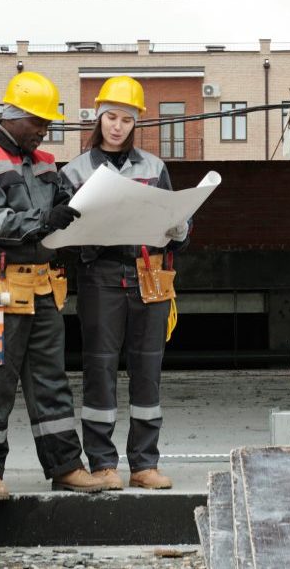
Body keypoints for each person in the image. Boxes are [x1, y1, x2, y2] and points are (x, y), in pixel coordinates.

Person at [0, 70, 110, 500]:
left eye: (47, 124)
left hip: (40, 283)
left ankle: (65, 466)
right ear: (13, 116)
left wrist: (71, 210)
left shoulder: (43, 162)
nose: (44, 131)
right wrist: (46, 221)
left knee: (50, 378)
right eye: (38, 123)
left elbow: (58, 204)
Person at [61, 76, 189, 491]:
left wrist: (181, 226)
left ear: (136, 123)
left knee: (147, 369)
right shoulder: (74, 171)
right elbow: (60, 236)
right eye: (111, 117)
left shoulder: (154, 168)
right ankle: (102, 463)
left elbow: (175, 223)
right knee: (99, 368)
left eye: (126, 119)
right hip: (99, 274)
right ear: (98, 118)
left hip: (148, 275)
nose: (118, 126)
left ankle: (144, 464)